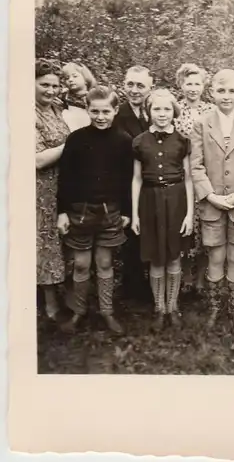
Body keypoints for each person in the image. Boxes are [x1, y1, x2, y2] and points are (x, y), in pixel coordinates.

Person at [57, 86, 134, 335]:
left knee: (104, 262)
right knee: (80, 264)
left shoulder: (124, 141)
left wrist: (126, 211)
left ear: (115, 111)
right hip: (79, 211)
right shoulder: (76, 139)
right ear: (87, 110)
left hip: (110, 210)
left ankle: (107, 312)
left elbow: (127, 179)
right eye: (94, 111)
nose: (100, 117)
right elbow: (65, 178)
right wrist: (62, 212)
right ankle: (79, 312)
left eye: (106, 111)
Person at [190, 69, 234, 330]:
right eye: (221, 91)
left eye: (232, 91)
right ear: (211, 93)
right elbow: (196, 165)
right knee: (216, 256)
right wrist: (210, 195)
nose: (227, 96)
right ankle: (214, 309)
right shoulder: (202, 123)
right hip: (212, 204)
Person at [131, 89, 194, 331]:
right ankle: (159, 307)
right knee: (156, 257)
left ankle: (173, 305)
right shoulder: (139, 141)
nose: (162, 113)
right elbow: (136, 179)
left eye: (167, 109)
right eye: (157, 109)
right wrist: (135, 214)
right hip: (149, 201)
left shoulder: (182, 141)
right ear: (149, 112)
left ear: (174, 112)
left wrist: (189, 214)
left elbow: (188, 179)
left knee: (174, 255)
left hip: (176, 200)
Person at [35, 58, 71, 321]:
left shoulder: (56, 108)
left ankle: (64, 298)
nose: (50, 90)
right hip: (40, 187)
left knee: (60, 240)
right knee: (45, 243)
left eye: (55, 85)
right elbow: (36, 159)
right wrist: (72, 144)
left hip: (62, 183)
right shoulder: (27, 112)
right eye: (44, 84)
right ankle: (49, 306)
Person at [114, 66, 154, 300]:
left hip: (155, 183)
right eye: (130, 84)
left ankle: (154, 285)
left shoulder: (157, 110)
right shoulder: (117, 115)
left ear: (150, 88)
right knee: (132, 237)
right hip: (128, 184)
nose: (134, 90)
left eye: (140, 85)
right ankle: (133, 290)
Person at [174, 63, 214, 295]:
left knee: (205, 225)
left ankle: (201, 279)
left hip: (205, 172)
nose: (193, 88)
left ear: (203, 85)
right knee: (186, 226)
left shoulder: (210, 110)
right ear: (181, 85)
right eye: (188, 83)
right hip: (180, 173)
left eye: (197, 83)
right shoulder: (175, 109)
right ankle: (186, 276)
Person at [61, 62, 97, 132]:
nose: (70, 80)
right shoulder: (64, 95)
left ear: (86, 80)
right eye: (67, 78)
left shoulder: (93, 96)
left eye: (75, 76)